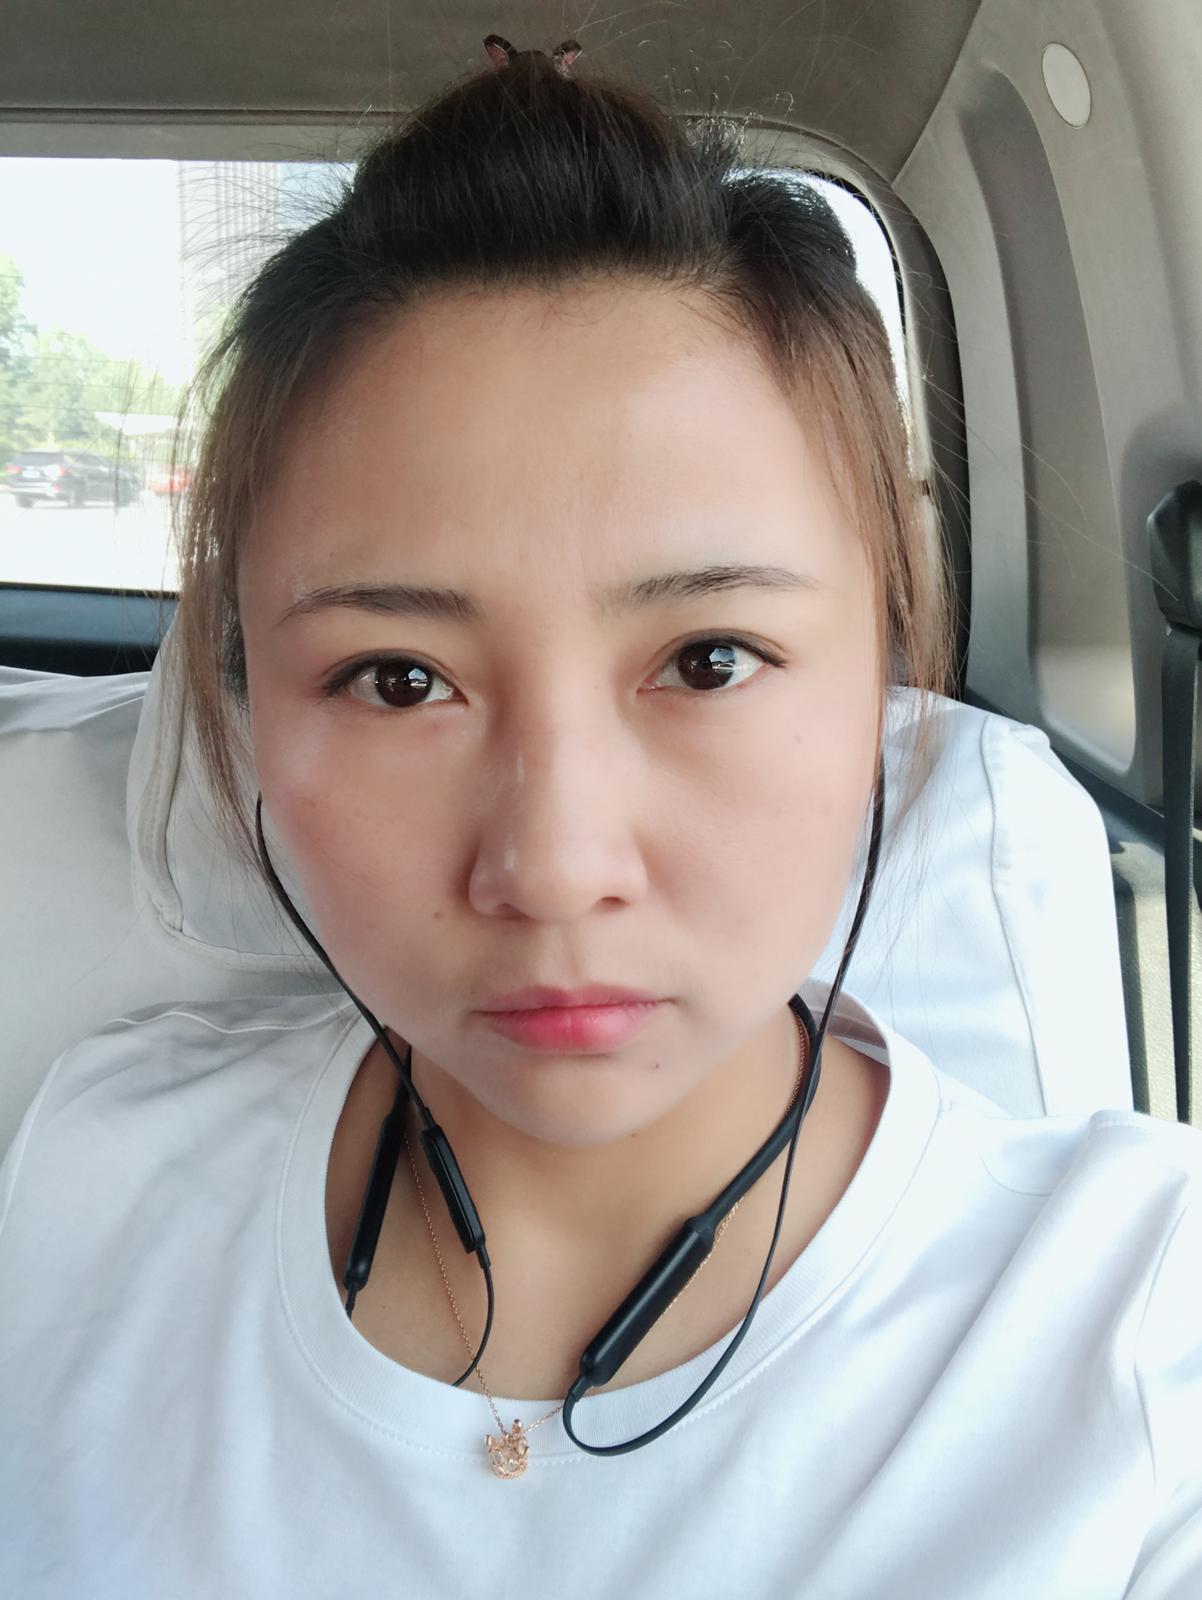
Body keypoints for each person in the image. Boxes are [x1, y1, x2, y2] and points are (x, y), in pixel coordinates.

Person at [1, 34, 1199, 1599]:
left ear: (881, 681)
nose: (555, 868)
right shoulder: (89, 1179)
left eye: (709, 660)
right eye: (397, 680)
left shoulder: (1140, 1332)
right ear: (251, 713)